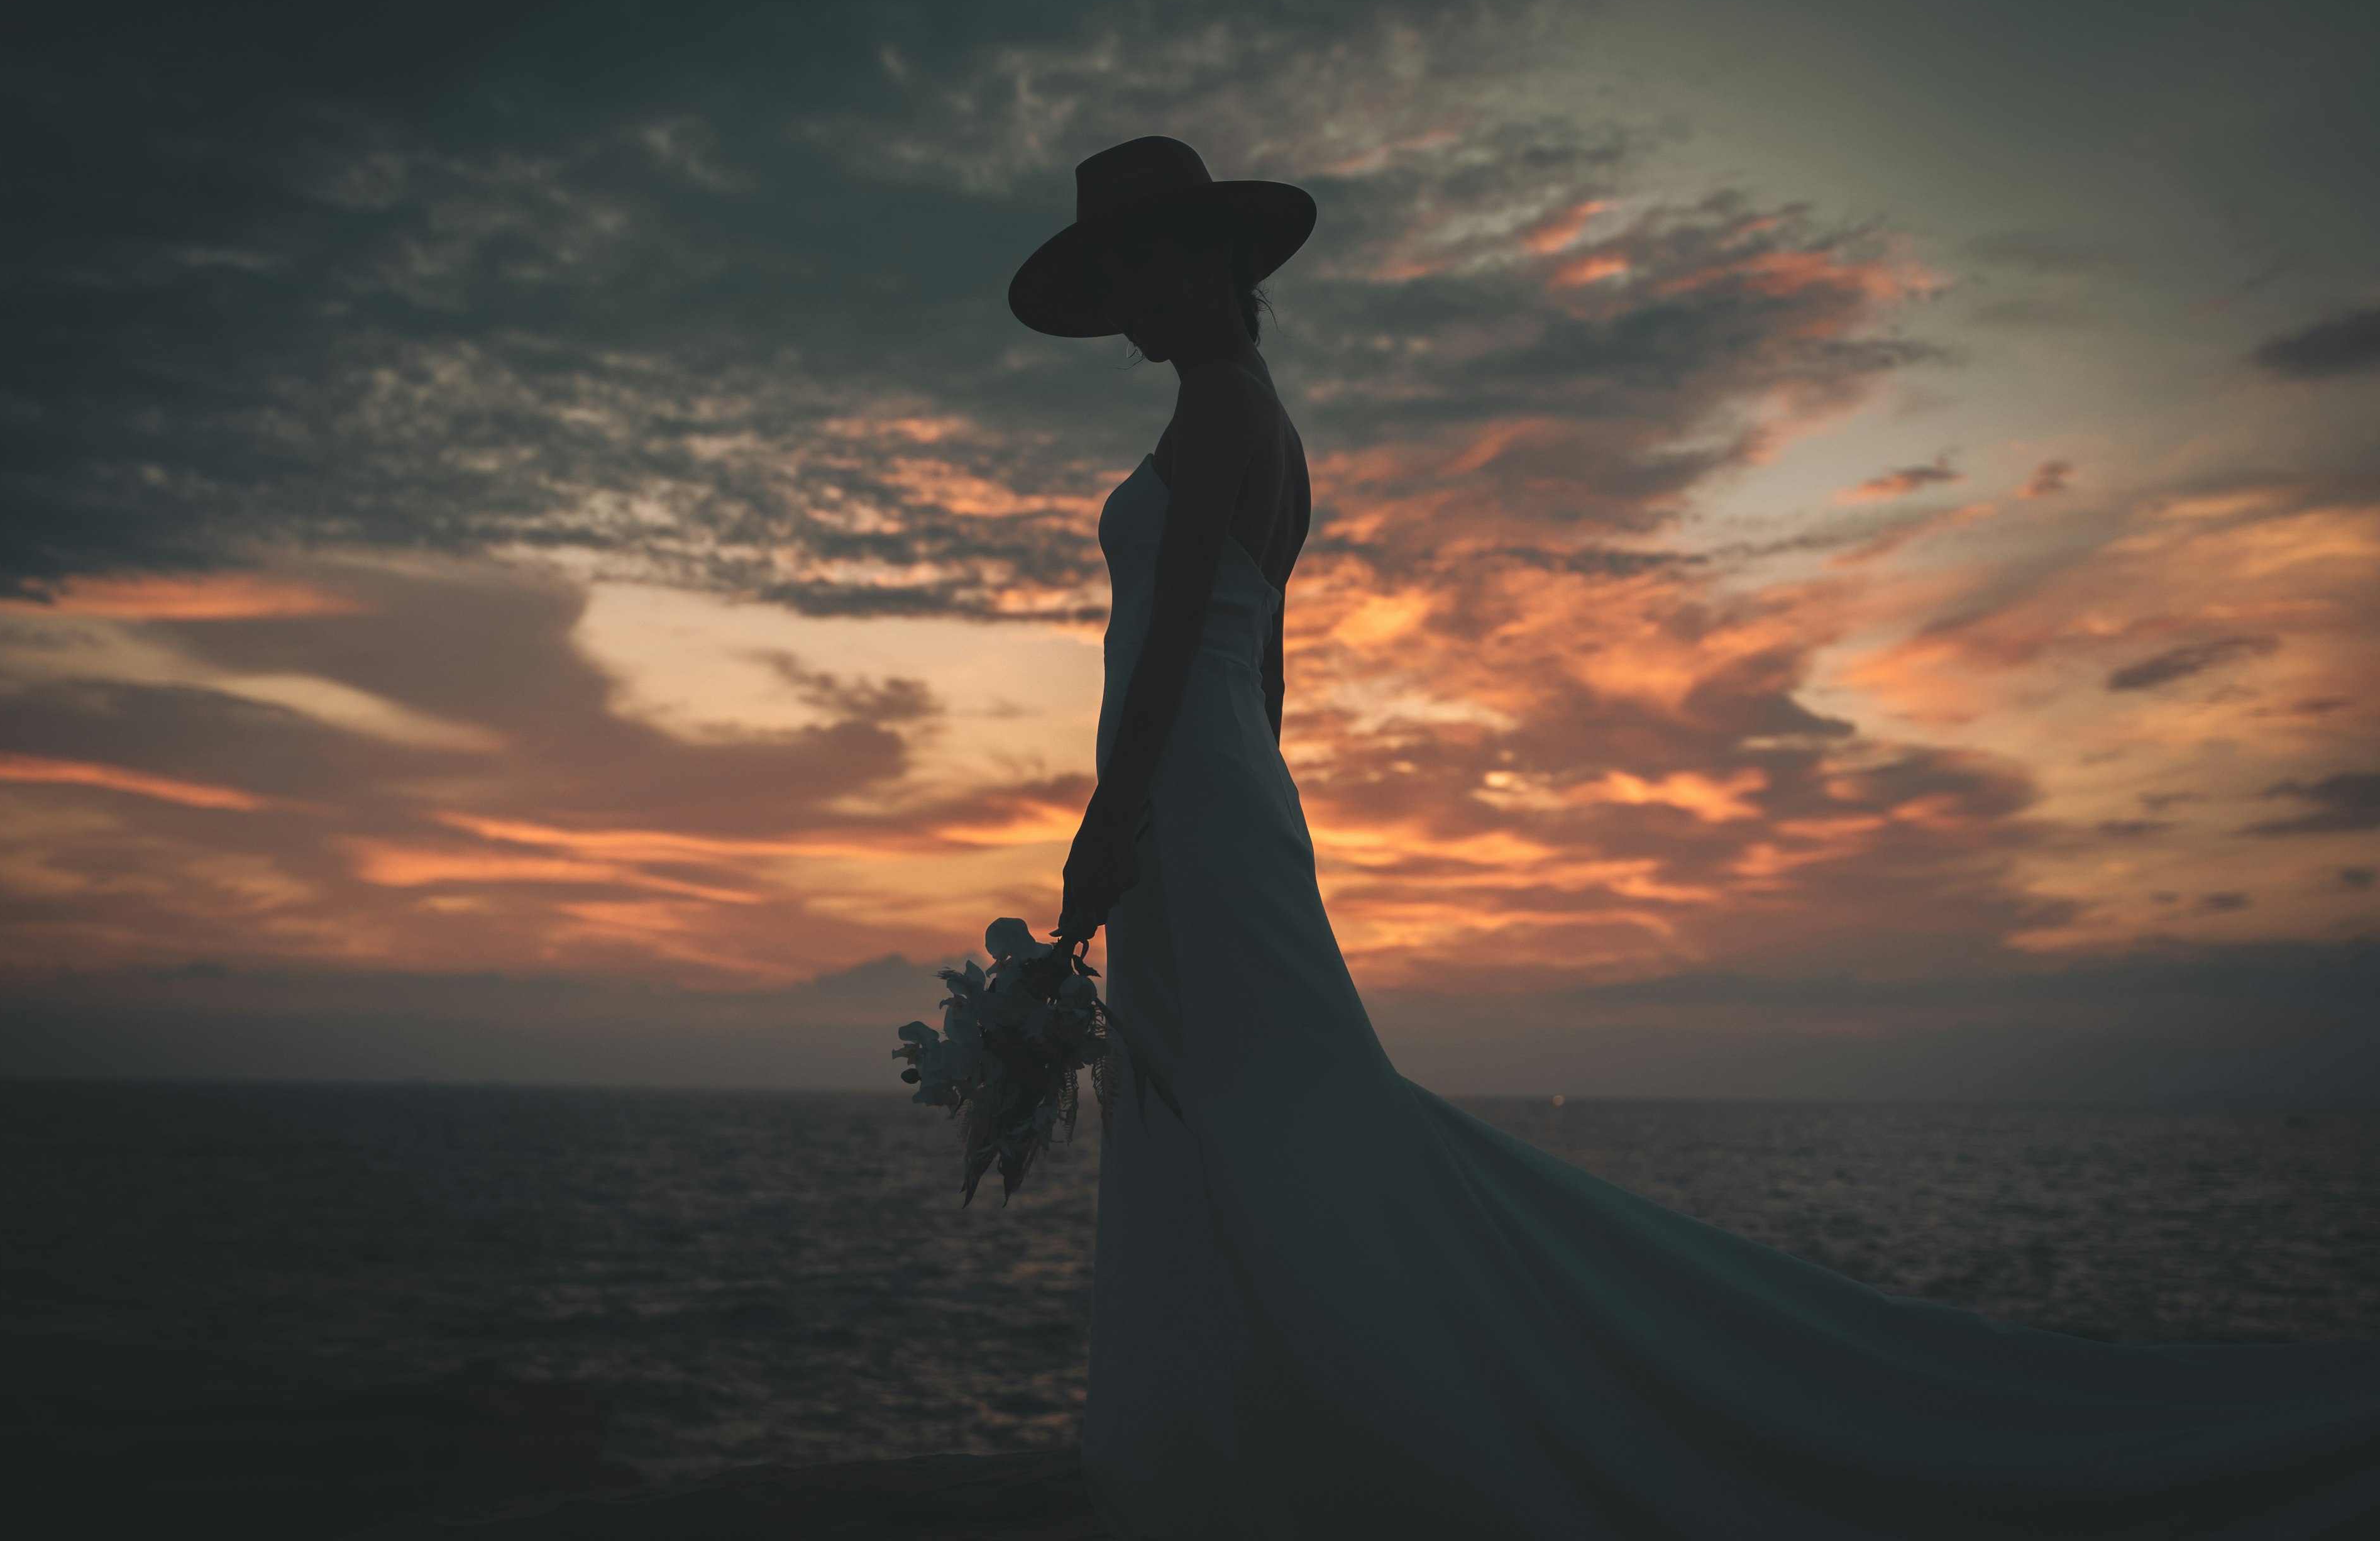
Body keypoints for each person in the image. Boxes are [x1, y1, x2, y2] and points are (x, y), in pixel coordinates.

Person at [1008, 135, 2380, 1541]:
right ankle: (1240, 1423)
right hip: (1214, 796)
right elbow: (1265, 671)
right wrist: (1202, 816)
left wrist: (1112, 823)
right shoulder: (1245, 415)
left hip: (1189, 792)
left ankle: (1320, 1423)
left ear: (1217, 261)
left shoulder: (1233, 409)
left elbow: (1182, 639)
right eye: (1112, 275)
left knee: (1265, 1107)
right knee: (1214, 1099)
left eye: (1147, 263)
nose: (1130, 300)